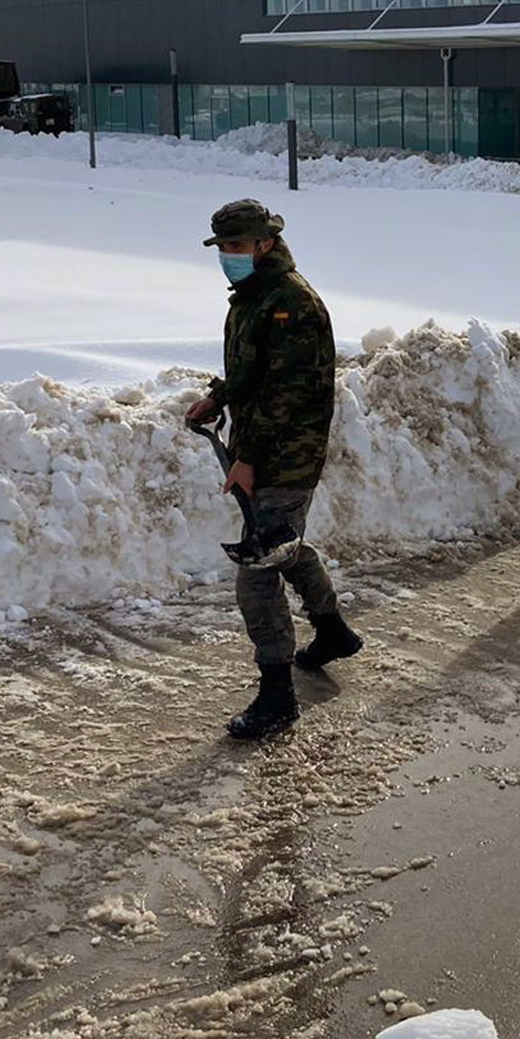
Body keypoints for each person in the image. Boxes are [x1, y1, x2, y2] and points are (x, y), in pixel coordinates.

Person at [185, 199, 364, 739]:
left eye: (238, 246)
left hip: (287, 451)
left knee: (257, 573)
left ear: (264, 243)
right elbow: (253, 371)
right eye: (224, 249)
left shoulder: (292, 302)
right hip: (266, 444)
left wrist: (248, 458)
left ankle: (277, 694)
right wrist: (219, 398)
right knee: (282, 544)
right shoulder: (254, 296)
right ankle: (331, 629)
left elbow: (286, 394)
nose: (229, 257)